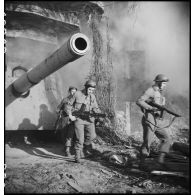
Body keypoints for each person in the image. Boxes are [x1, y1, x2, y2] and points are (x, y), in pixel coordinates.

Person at [136, 74, 171, 166]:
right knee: (147, 142)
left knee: (167, 139)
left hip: (158, 121)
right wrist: (150, 108)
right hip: (149, 119)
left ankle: (160, 160)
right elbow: (139, 101)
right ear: (158, 83)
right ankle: (142, 163)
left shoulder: (160, 92)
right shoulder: (150, 90)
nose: (165, 85)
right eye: (164, 83)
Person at [64, 80, 101, 163]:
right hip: (79, 119)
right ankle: (77, 156)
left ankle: (83, 149)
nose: (91, 91)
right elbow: (68, 105)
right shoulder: (77, 94)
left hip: (89, 120)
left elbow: (96, 108)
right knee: (80, 139)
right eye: (90, 89)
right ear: (86, 87)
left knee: (92, 136)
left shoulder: (93, 96)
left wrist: (100, 115)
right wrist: (70, 116)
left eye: (92, 90)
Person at [56, 86, 77, 157]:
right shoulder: (65, 100)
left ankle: (67, 150)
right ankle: (66, 147)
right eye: (72, 91)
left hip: (73, 119)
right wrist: (59, 113)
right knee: (64, 135)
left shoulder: (77, 100)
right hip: (65, 119)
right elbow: (58, 108)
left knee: (70, 135)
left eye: (75, 92)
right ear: (69, 92)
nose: (73, 93)